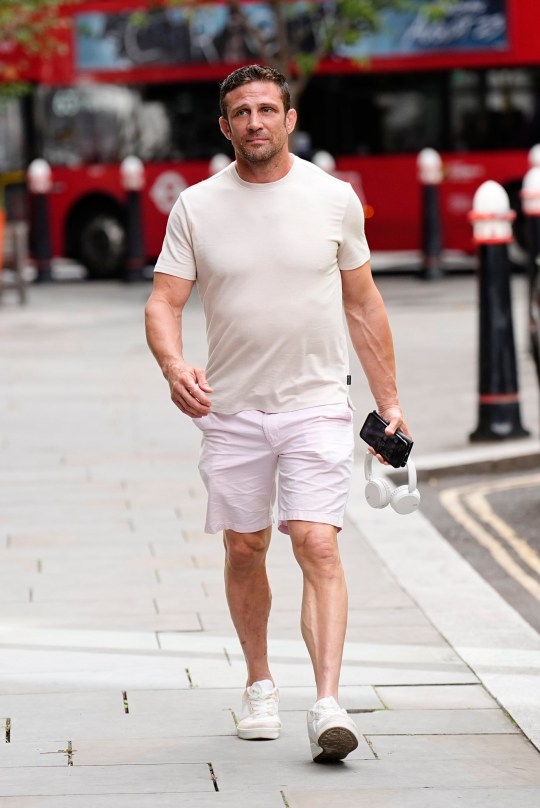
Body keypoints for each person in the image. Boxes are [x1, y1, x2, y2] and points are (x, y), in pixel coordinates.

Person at [145, 64, 410, 763]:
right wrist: (175, 367)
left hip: (317, 402)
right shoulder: (196, 207)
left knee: (315, 540)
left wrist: (390, 406)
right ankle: (260, 682)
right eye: (242, 112)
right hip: (230, 410)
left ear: (290, 120)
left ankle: (327, 703)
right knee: (244, 546)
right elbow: (164, 303)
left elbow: (363, 304)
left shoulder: (332, 199)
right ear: (224, 126)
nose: (256, 121)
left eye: (268, 108)